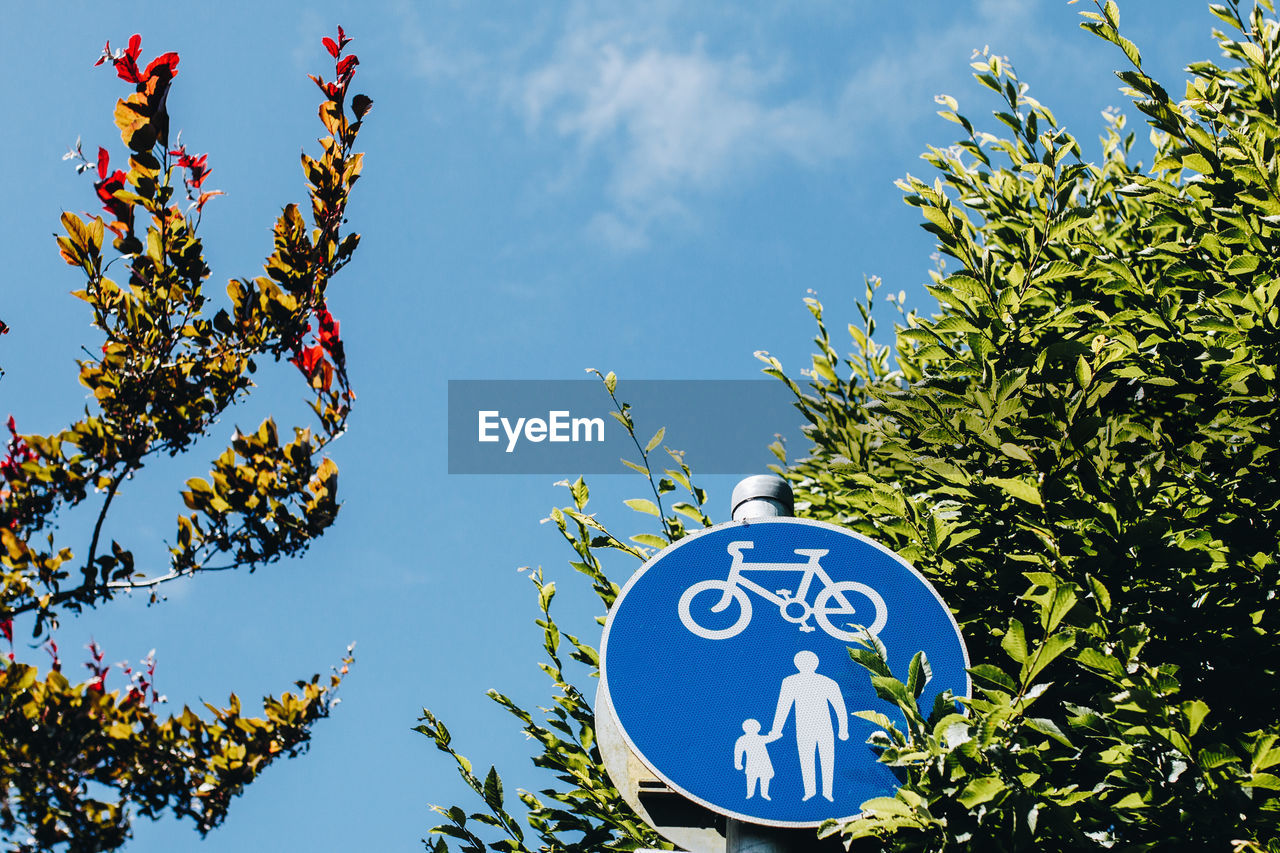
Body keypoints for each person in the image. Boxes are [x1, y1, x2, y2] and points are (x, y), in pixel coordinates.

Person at [767, 650, 848, 802]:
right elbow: (783, 707)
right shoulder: (790, 682)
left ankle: (827, 792)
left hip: (825, 727)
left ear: (816, 663)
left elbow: (839, 707)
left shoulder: (827, 682)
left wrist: (843, 729)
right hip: (804, 728)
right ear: (797, 664)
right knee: (806, 759)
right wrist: (776, 730)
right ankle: (809, 791)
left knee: (827, 759)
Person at [733, 718, 780, 799]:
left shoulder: (760, 738)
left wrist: (776, 735)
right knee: (751, 777)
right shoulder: (742, 740)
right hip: (752, 763)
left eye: (755, 727)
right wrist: (738, 763)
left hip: (764, 762)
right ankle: (750, 794)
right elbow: (738, 752)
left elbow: (770, 738)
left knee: (765, 777)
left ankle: (764, 794)